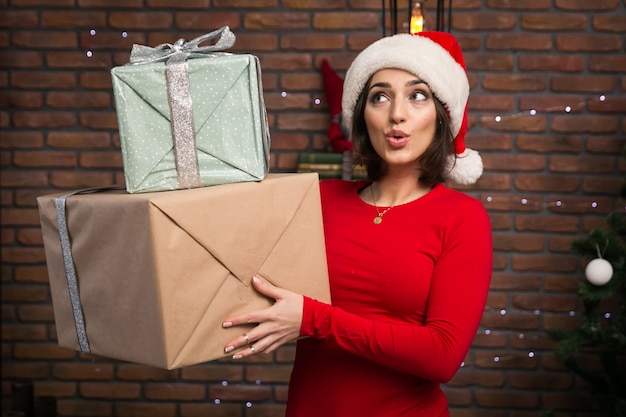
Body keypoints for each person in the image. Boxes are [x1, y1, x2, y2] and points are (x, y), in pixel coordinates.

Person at [222, 31, 493, 416]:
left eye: (418, 95)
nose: (396, 113)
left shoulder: (461, 218)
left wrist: (316, 319)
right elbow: (234, 253)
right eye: (379, 96)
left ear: (442, 115)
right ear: (362, 116)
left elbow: (442, 356)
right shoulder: (319, 198)